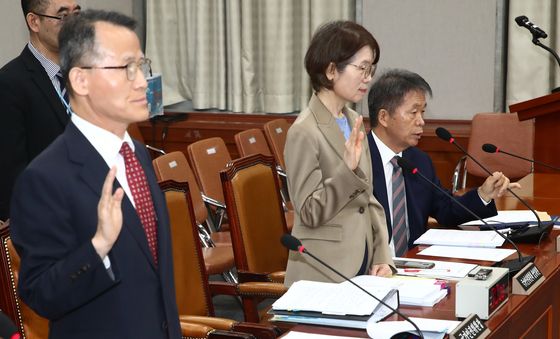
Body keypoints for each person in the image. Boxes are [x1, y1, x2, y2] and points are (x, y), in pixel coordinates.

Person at [10, 10, 181, 338]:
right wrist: (98, 245)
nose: (143, 82)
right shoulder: (45, 178)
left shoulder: (137, 154)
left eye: (142, 66)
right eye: (126, 68)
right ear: (80, 80)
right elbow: (41, 295)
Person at [283, 21, 394, 287]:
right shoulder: (304, 131)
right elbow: (309, 212)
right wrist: (346, 171)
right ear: (332, 70)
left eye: (371, 69)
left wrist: (382, 255)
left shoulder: (353, 118)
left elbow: (369, 199)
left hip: (362, 264)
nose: (368, 77)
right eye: (362, 68)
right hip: (323, 272)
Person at [367, 69, 519, 256]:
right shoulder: (357, 161)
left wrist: (483, 195)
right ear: (383, 117)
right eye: (413, 112)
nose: (421, 121)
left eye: (422, 112)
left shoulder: (418, 161)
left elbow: (446, 211)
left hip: (415, 265)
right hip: (368, 270)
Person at [0, 0, 81, 221]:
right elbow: (11, 180)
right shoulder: (10, 84)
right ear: (34, 22)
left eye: (77, 13)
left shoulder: (82, 75)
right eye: (63, 16)